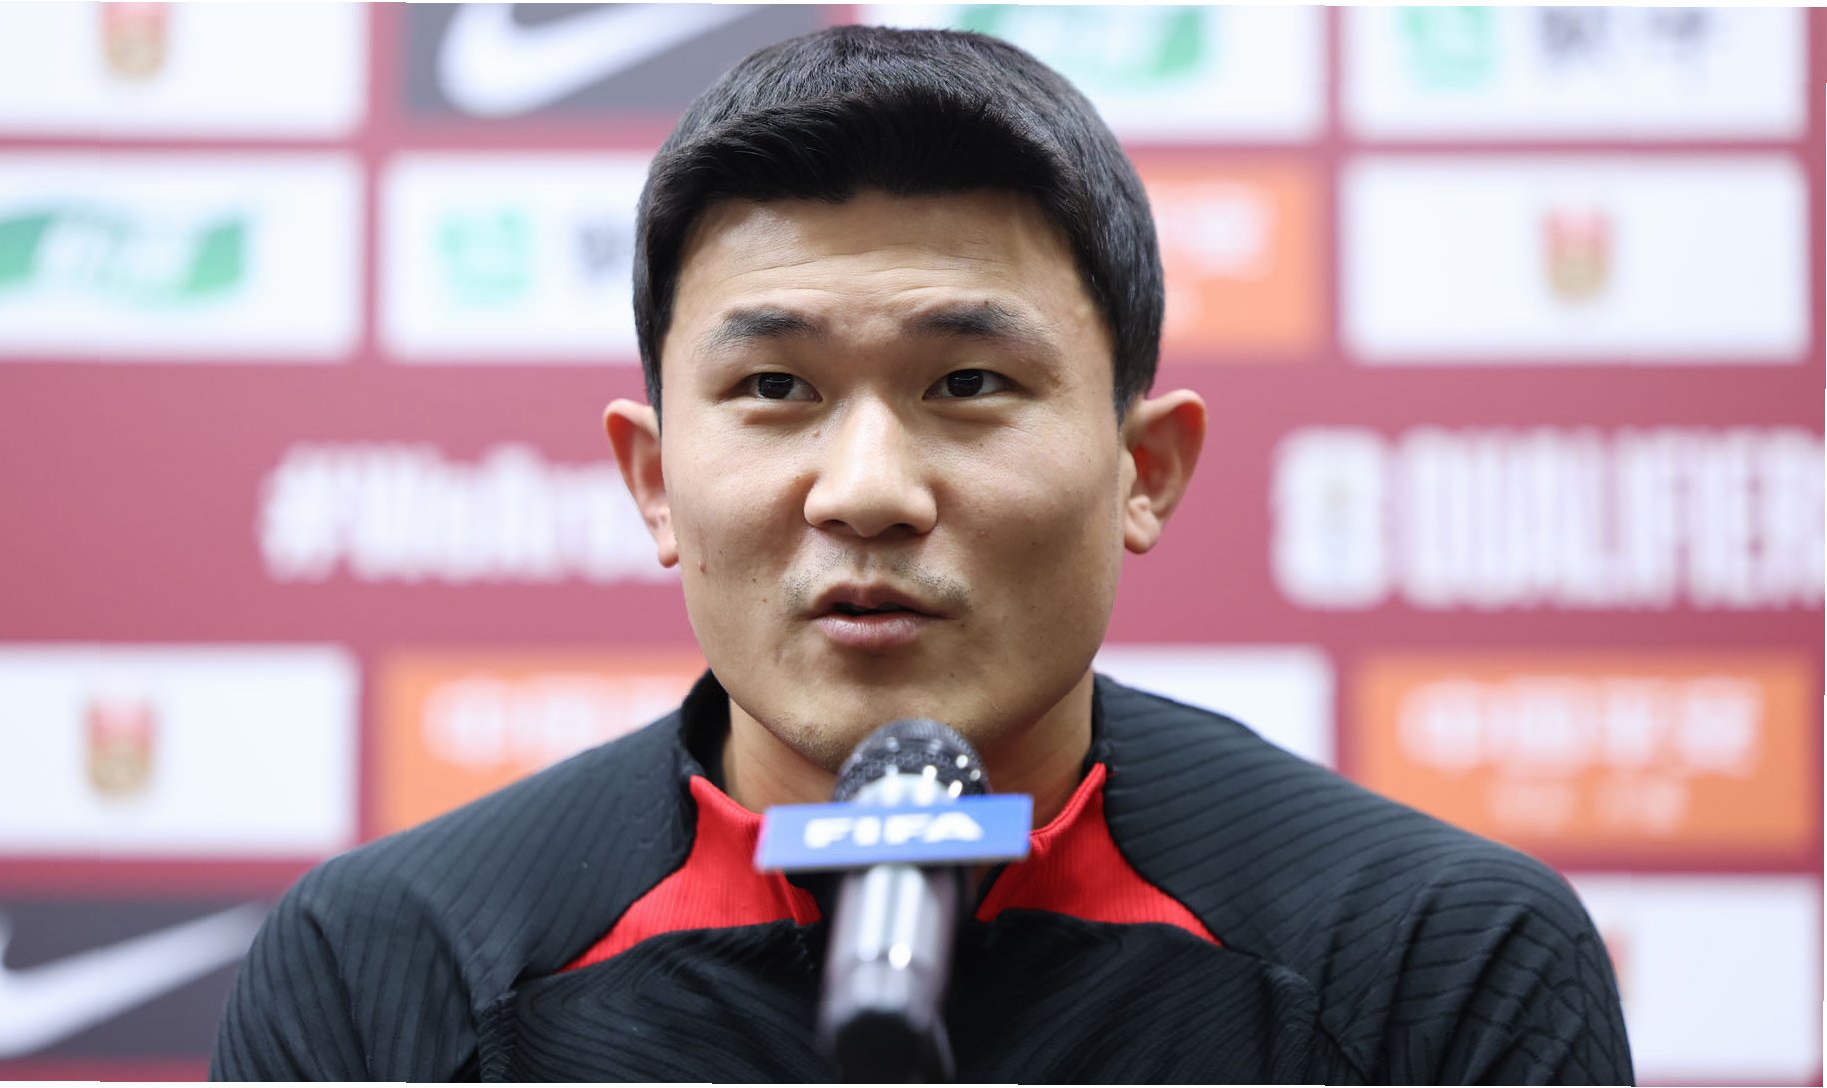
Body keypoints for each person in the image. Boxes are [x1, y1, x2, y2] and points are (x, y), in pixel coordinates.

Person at [214, 25, 1632, 1083]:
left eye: (968, 383)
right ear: (655, 484)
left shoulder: (1435, 958)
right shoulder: (387, 963)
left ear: (1143, 471)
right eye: (776, 388)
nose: (870, 492)